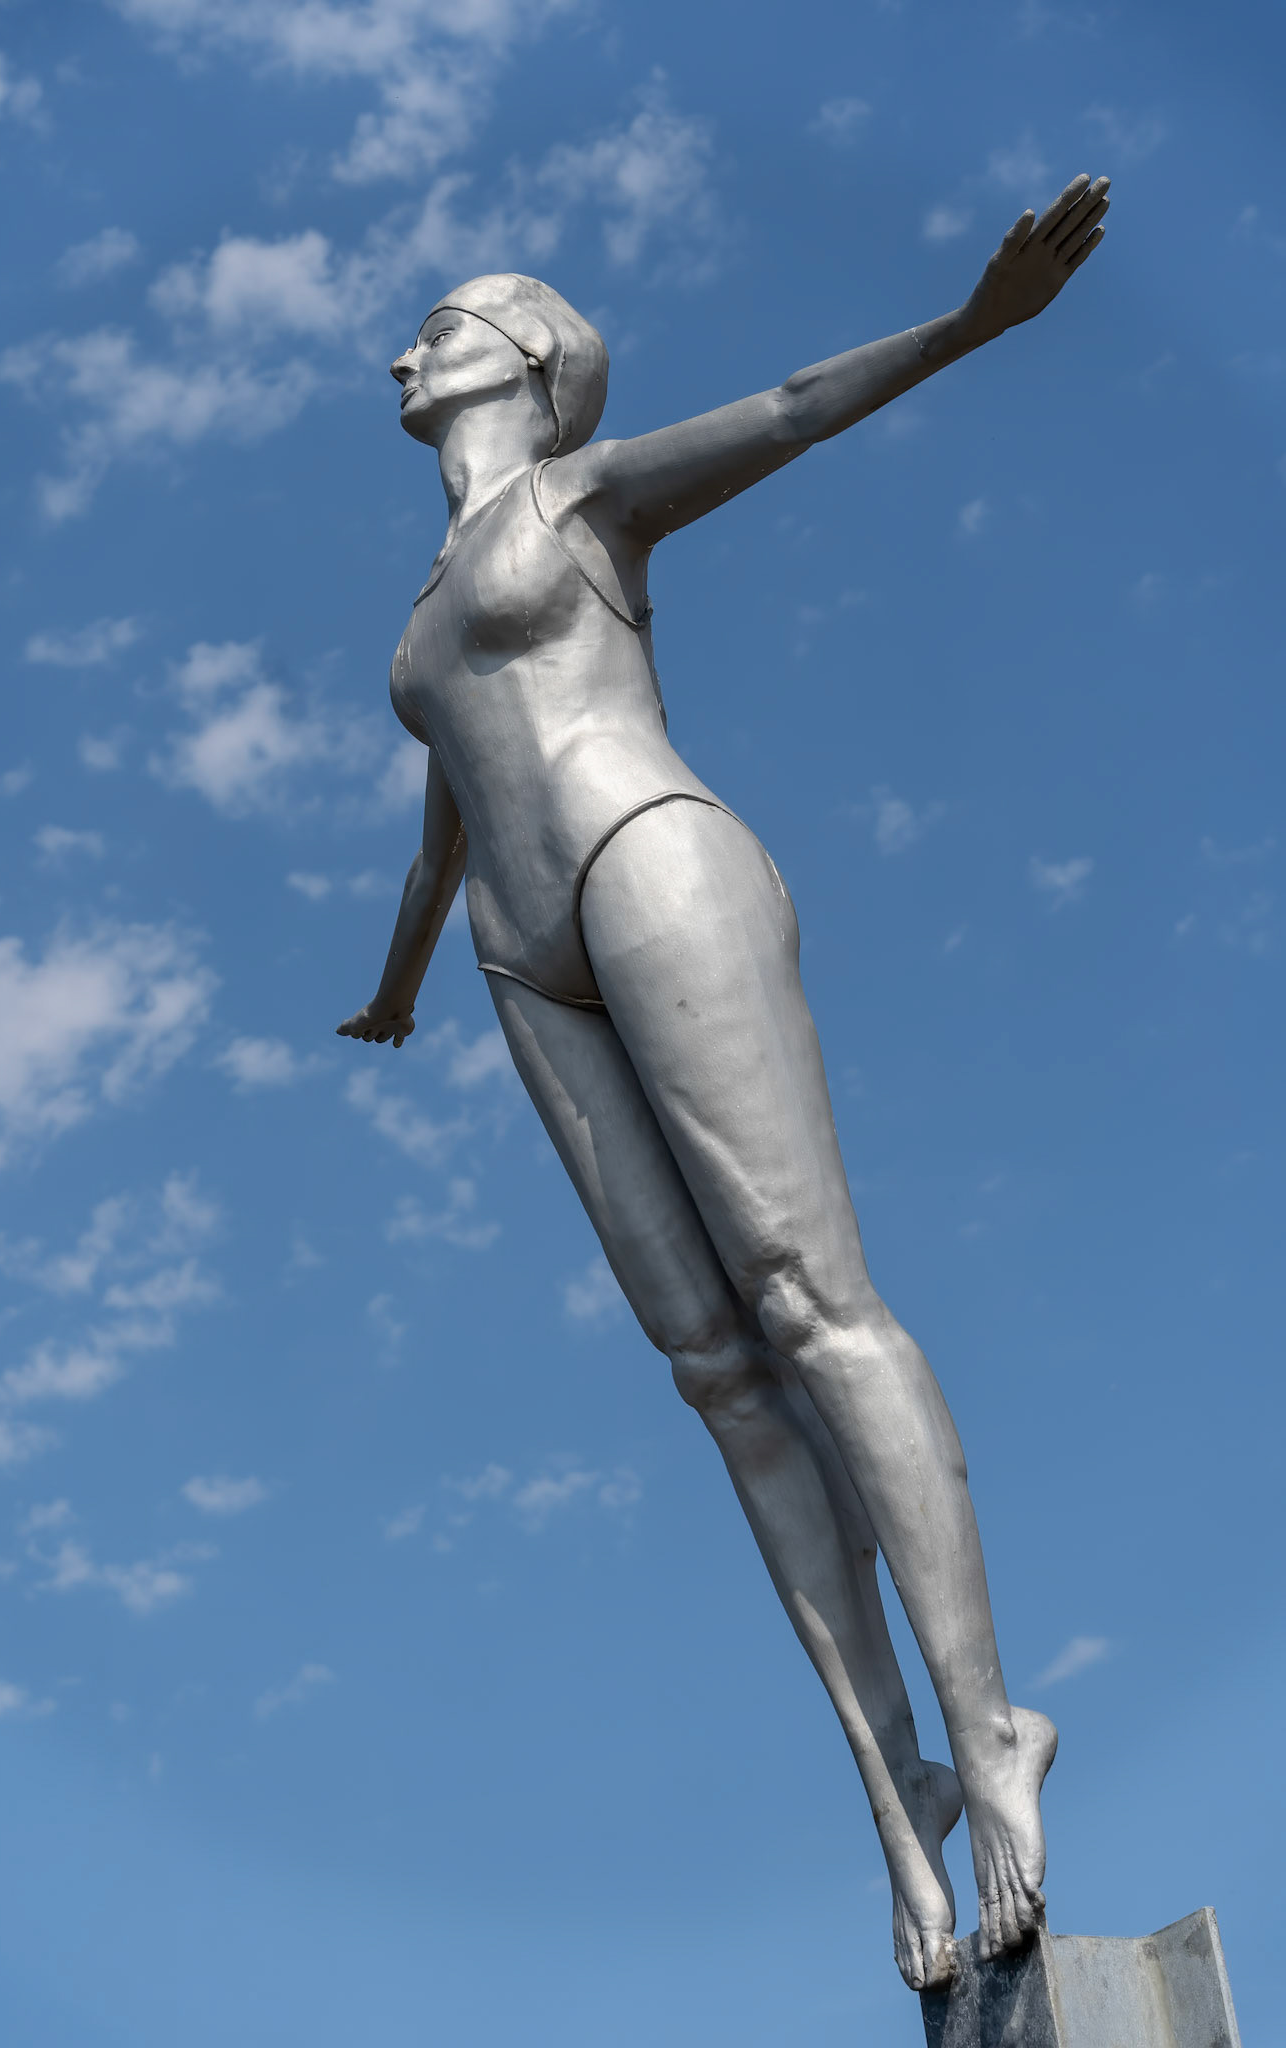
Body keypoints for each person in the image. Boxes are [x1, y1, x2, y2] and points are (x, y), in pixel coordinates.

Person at [338, 173, 1111, 1992]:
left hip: (646, 859)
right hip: (522, 959)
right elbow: (445, 809)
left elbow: (778, 413)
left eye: (439, 326)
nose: (403, 348)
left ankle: (993, 1722)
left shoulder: (579, 498)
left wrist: (967, 324)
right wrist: (390, 988)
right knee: (714, 1373)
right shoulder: (430, 593)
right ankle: (896, 1791)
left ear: (527, 354)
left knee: (807, 1301)